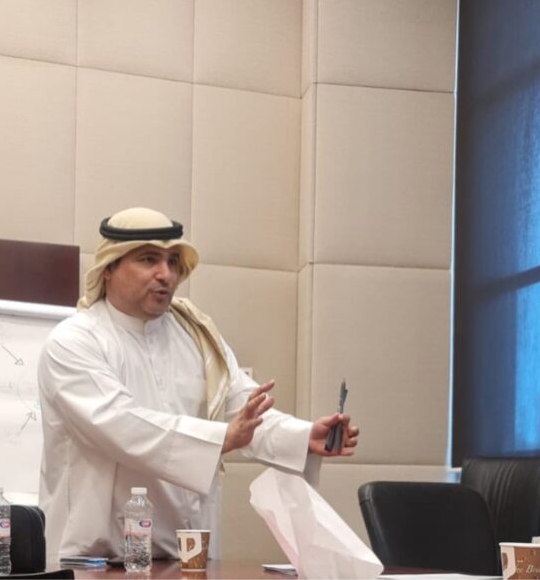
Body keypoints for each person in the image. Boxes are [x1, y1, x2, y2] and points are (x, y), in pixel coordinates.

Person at [38, 207, 360, 559]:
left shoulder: (195, 337)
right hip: (96, 563)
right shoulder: (74, 341)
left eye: (173, 262)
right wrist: (222, 438)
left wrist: (303, 437)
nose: (166, 275)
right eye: (149, 259)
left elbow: (244, 412)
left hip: (187, 560)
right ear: (109, 268)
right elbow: (123, 426)